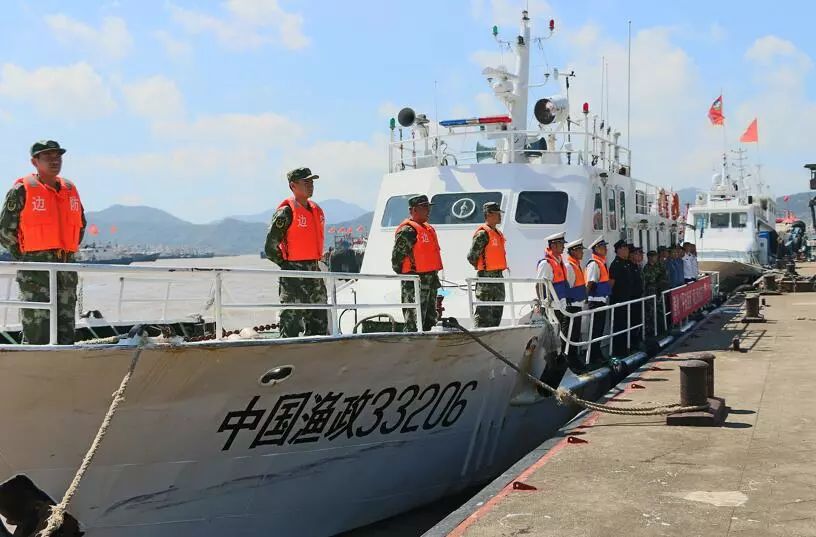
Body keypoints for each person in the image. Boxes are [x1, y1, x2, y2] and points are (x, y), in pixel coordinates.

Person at [0, 140, 86, 344]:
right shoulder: (22, 190)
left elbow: (80, 225)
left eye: (58, 156)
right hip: (36, 271)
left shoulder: (70, 190)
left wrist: (67, 249)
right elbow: (4, 231)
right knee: (38, 328)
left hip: (66, 268)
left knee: (66, 330)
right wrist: (27, 257)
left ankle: (64, 361)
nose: (55, 160)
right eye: (48, 156)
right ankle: (33, 361)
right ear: (35, 161)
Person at [264, 167, 328, 338]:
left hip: (315, 273)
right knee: (291, 327)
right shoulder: (285, 213)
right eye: (306, 182)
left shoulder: (316, 210)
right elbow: (270, 247)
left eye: (312, 182)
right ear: (293, 186)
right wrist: (287, 265)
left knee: (319, 324)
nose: (311, 185)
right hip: (293, 277)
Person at [392, 195, 442, 331]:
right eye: (424, 207)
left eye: (428, 207)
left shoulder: (427, 229)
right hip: (415, 283)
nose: (428, 210)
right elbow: (397, 260)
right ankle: (412, 341)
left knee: (430, 321)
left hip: (430, 281)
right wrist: (410, 275)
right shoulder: (407, 231)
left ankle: (429, 340)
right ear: (413, 210)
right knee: (414, 322)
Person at [467, 202, 507, 328]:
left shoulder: (498, 233)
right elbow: (471, 256)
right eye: (497, 214)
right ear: (488, 215)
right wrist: (481, 267)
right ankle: (479, 334)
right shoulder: (482, 234)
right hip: (486, 278)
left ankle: (493, 335)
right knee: (484, 313)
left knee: (496, 312)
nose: (500, 216)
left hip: (498, 277)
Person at [536, 232, 569, 344]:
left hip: (560, 304)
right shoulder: (546, 263)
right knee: (552, 336)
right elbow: (539, 285)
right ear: (553, 246)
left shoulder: (559, 261)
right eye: (561, 244)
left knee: (559, 335)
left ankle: (560, 353)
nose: (563, 246)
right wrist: (542, 304)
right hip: (552, 307)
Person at [584, 237, 610, 364]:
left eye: (605, 247)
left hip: (601, 300)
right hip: (595, 301)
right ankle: (593, 356)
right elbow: (590, 282)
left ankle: (597, 352)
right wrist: (587, 298)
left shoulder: (601, 262)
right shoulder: (594, 264)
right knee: (596, 329)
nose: (606, 249)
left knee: (599, 329)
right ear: (596, 249)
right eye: (603, 247)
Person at [563, 237, 587, 359]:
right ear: (573, 251)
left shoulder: (576, 265)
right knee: (570, 334)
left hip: (577, 305)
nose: (582, 252)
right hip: (571, 306)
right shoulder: (569, 267)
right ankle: (569, 359)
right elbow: (567, 286)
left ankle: (573, 358)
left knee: (575, 334)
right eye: (580, 250)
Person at [608, 240, 632, 355]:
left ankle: (625, 347)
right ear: (618, 250)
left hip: (626, 298)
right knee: (619, 325)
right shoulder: (616, 264)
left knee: (625, 324)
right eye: (625, 249)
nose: (627, 251)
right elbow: (611, 283)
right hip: (618, 299)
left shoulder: (626, 263)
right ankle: (618, 350)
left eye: (627, 249)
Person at [643, 249, 668, 335]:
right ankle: (651, 330)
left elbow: (665, 275)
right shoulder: (646, 268)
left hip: (659, 291)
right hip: (651, 292)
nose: (655, 258)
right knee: (651, 312)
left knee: (660, 310)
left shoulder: (659, 266)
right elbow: (649, 280)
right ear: (649, 257)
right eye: (653, 256)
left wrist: (661, 281)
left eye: (656, 256)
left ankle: (660, 328)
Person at [629, 246, 644, 343]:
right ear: (632, 255)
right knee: (632, 321)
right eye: (638, 254)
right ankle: (632, 342)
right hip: (632, 298)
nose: (640, 256)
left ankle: (637, 339)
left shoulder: (637, 266)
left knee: (638, 320)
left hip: (639, 297)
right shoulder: (629, 266)